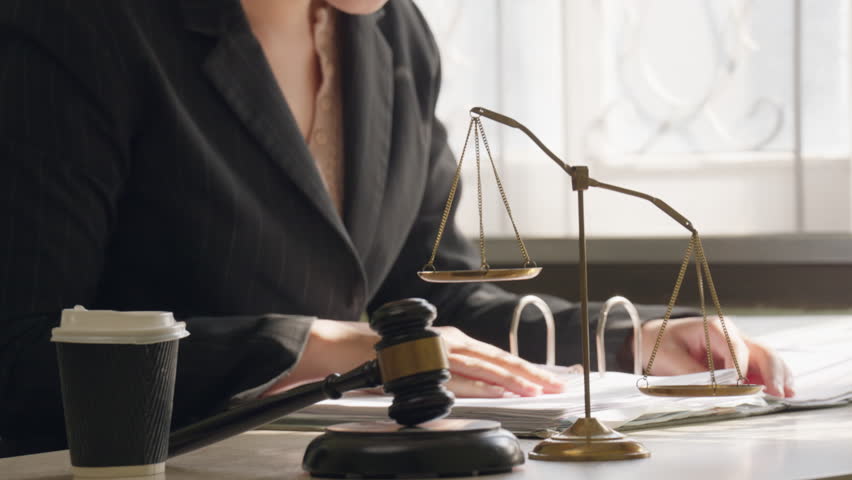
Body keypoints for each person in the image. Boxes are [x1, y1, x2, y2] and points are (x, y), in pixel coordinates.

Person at [0, 0, 792, 457]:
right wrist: (304, 344)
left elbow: (435, 307)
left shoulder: (387, 34)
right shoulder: (75, 25)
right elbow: (16, 354)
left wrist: (632, 341)